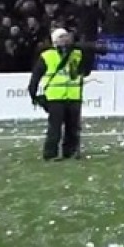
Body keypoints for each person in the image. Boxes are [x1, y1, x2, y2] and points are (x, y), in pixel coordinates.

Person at [27, 28, 94, 161]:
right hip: (55, 97)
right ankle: (50, 154)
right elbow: (35, 76)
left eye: (66, 36)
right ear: (55, 40)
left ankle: (71, 152)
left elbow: (85, 71)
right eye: (61, 37)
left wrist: (86, 54)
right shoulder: (47, 55)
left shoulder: (76, 53)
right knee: (55, 129)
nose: (65, 39)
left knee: (73, 128)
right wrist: (34, 95)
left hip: (73, 96)